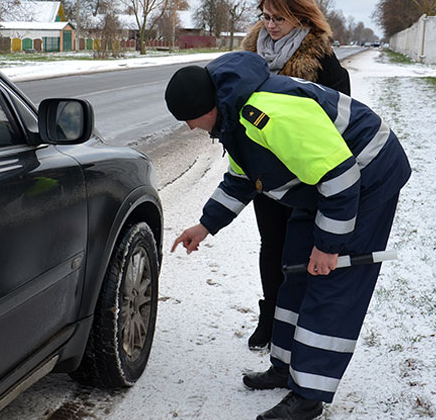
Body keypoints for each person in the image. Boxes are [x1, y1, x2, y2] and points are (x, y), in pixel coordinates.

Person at [165, 51, 410, 420]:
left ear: (209, 106)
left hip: (366, 174)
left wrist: (329, 247)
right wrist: (205, 225)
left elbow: (341, 179)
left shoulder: (268, 114)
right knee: (295, 266)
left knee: (330, 278)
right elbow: (241, 178)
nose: (189, 128)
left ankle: (309, 395)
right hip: (322, 184)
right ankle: (285, 366)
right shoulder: (233, 118)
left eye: (190, 119)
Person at [241, 0, 351, 350]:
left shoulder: (322, 59)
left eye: (279, 18)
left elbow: (339, 119)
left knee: (299, 249)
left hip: (305, 175)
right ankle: (270, 317)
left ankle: (298, 321)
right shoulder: (249, 55)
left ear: (300, 17)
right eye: (266, 17)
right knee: (270, 244)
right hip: (264, 169)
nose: (270, 25)